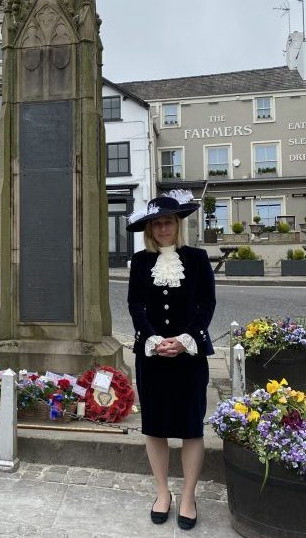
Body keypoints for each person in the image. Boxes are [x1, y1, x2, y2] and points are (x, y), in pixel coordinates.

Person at [126, 190, 216, 531]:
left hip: (189, 355)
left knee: (191, 429)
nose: (163, 228)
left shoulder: (197, 258)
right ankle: (163, 492)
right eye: (157, 223)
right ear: (150, 229)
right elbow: (136, 306)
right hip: (151, 355)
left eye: (168, 222)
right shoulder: (141, 263)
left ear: (178, 225)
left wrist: (184, 339)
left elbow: (206, 304)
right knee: (156, 428)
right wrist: (151, 338)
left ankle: (189, 496)